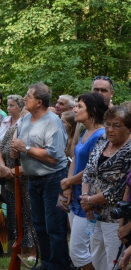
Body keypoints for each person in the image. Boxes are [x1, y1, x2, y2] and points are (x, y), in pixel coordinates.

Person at [11, 82, 70, 270]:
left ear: (39, 101)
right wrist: (16, 151)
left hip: (53, 179)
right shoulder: (25, 119)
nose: (24, 98)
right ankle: (46, 264)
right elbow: (18, 143)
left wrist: (25, 149)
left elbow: (53, 157)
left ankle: (59, 266)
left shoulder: (53, 122)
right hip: (33, 179)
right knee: (40, 225)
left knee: (54, 226)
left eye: (28, 96)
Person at [60, 93, 107, 270]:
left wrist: (68, 181)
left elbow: (91, 169)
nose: (75, 109)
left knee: (78, 251)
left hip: (88, 200)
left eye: (79, 106)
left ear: (93, 111)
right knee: (82, 249)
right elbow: (75, 159)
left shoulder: (100, 135)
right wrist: (69, 185)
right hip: (76, 196)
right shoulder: (86, 131)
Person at [81, 106, 131, 270]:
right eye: (107, 124)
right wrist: (85, 198)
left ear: (128, 128)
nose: (110, 129)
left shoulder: (129, 149)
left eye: (116, 125)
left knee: (113, 261)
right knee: (96, 258)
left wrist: (90, 200)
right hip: (94, 213)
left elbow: (121, 187)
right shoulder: (102, 140)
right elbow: (88, 170)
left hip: (115, 217)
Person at [0, 97, 37, 261]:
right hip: (11, 181)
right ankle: (18, 248)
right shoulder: (12, 128)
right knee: (15, 215)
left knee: (30, 216)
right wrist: (3, 167)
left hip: (27, 181)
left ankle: (33, 251)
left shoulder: (32, 132)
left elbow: (35, 158)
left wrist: (13, 170)